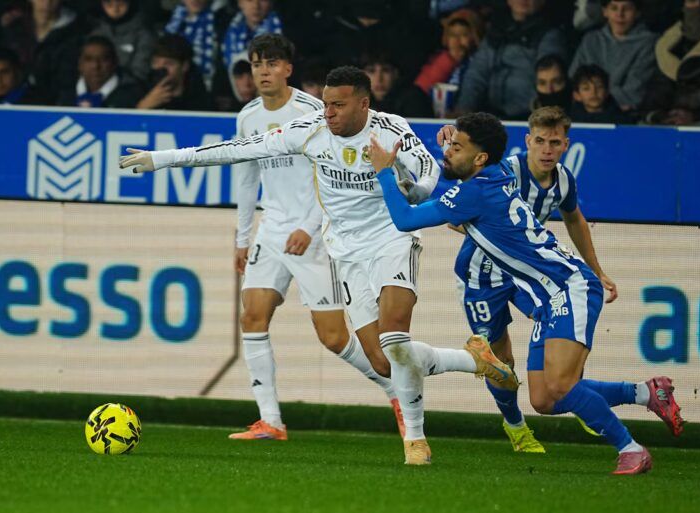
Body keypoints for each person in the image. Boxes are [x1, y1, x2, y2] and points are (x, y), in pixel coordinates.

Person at [119, 65, 519, 466]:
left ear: (364, 104)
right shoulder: (309, 129)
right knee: (382, 360)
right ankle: (475, 360)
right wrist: (162, 159)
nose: (328, 112)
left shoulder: (392, 129)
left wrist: (406, 186)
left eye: (339, 105)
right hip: (345, 253)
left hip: (391, 239)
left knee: (395, 340)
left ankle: (415, 441)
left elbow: (430, 175)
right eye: (326, 103)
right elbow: (238, 149)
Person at [372, 112, 684, 475]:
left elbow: (405, 220)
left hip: (570, 287)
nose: (448, 152)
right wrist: (453, 141)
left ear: (479, 159)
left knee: (562, 385)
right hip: (548, 297)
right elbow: (476, 157)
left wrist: (384, 169)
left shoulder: (476, 191)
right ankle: (646, 393)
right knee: (543, 399)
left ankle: (630, 448)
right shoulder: (499, 171)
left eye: (457, 147)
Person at [225, 34, 403, 441]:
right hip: (271, 232)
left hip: (314, 234)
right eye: (256, 64)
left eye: (271, 63)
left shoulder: (312, 113)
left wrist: (309, 225)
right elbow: (246, 177)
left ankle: (397, 391)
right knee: (251, 315)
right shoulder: (247, 117)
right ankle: (270, 420)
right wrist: (242, 238)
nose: (263, 71)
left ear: (288, 69)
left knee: (334, 337)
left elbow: (333, 176)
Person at [437, 106, 617, 452]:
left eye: (554, 142)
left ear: (565, 144)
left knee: (561, 324)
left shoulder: (564, 180)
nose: (547, 150)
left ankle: (572, 394)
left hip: (530, 277)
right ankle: (516, 426)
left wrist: (596, 269)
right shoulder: (504, 171)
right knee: (501, 360)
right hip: (482, 275)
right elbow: (454, 214)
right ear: (527, 142)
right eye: (540, 141)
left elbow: (575, 219)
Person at [454, 0, 567, 120]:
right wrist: (464, 109)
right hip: (490, 116)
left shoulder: (550, 35)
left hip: (530, 119)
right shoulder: (496, 31)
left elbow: (549, 73)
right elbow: (476, 74)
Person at [640, 0, 700, 126]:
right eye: (692, 1)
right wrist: (657, 114)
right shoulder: (667, 43)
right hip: (669, 116)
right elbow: (657, 88)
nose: (698, 7)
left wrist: (695, 115)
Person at [570, 0, 657, 112]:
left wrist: (593, 97)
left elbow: (634, 92)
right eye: (614, 8)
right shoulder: (591, 39)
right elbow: (574, 79)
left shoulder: (648, 42)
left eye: (627, 9)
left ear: (637, 13)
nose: (620, 14)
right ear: (605, 11)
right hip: (586, 111)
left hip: (624, 114)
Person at [57, 35, 142, 108]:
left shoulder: (132, 96)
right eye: (88, 59)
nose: (95, 66)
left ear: (115, 62)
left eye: (103, 59)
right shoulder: (65, 96)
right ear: (79, 64)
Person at [136, 34, 213, 111]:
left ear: (184, 66)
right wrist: (144, 106)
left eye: (168, 63)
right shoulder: (138, 92)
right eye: (155, 62)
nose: (159, 68)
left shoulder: (201, 100)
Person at [91, 0, 156, 82]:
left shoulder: (144, 35)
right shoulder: (95, 34)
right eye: (109, 4)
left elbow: (140, 73)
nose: (115, 9)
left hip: (129, 89)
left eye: (121, 3)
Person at [362, 52, 433, 119]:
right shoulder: (358, 98)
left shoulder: (414, 99)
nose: (379, 78)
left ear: (396, 74)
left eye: (386, 70)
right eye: (371, 71)